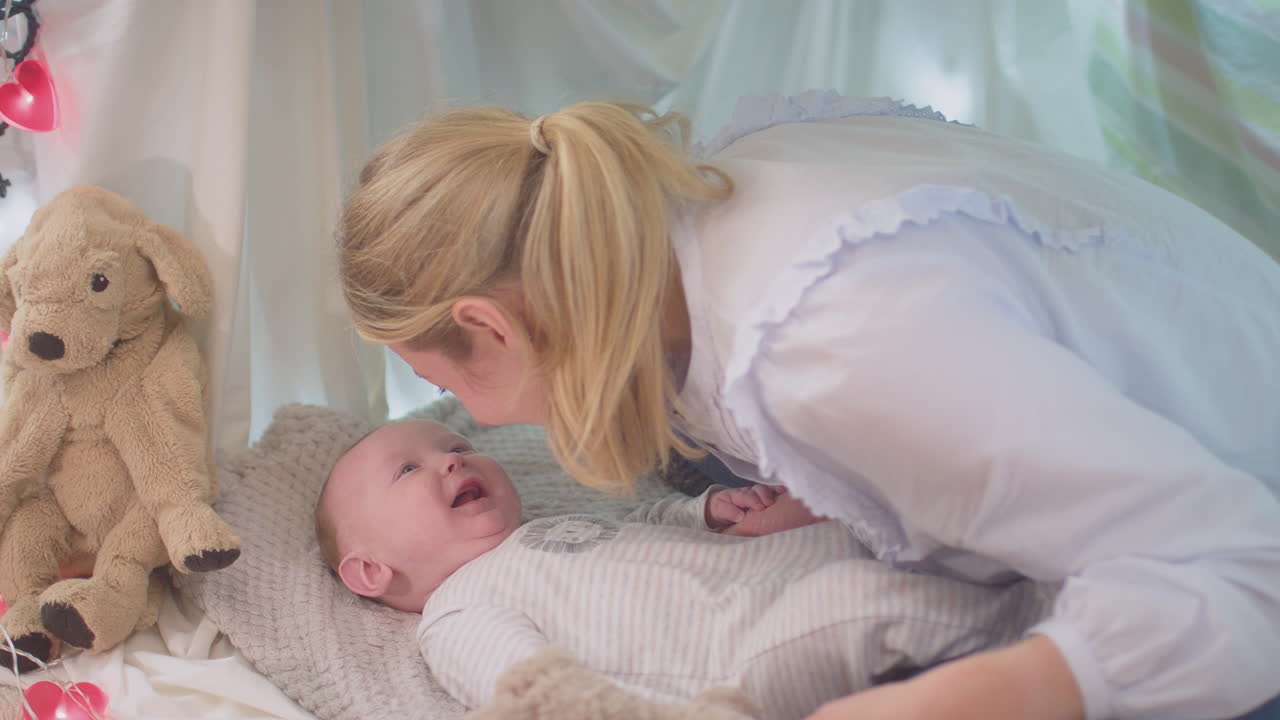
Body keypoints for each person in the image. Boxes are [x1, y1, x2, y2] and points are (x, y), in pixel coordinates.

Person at [336, 90, 1280, 720]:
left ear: (490, 328)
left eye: (444, 396)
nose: (467, 435)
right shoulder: (690, 202)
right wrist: (832, 489)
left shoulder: (829, 350)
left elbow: (1250, 576)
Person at [313, 417, 1053, 719]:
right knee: (869, 603)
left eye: (453, 445)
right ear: (370, 571)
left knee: (878, 536)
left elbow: (633, 528)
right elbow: (528, 690)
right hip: (733, 653)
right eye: (407, 470)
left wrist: (708, 513)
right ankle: (1055, 631)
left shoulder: (541, 532)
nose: (451, 457)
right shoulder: (458, 613)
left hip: (761, 570)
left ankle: (1032, 561)